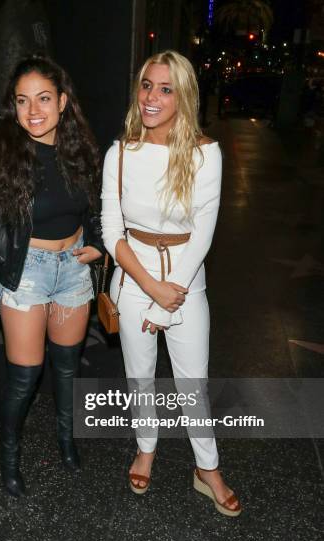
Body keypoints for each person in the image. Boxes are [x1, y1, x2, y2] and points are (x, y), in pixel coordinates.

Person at [101, 50, 241, 516]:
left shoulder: (205, 153)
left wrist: (168, 297)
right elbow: (110, 231)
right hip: (134, 280)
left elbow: (203, 231)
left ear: (183, 96)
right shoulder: (120, 152)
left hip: (186, 282)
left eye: (165, 89)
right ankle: (147, 447)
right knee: (139, 377)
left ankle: (208, 467)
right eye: (146, 85)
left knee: (192, 383)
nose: (152, 97)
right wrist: (148, 287)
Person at [0, 54, 104, 498]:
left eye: (44, 98)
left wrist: (97, 244)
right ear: (14, 106)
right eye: (23, 101)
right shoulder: (2, 160)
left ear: (63, 102)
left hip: (73, 273)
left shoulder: (79, 153)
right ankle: (9, 460)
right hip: (25, 275)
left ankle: (67, 442)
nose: (33, 111)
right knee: (26, 376)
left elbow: (95, 209)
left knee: (66, 369)